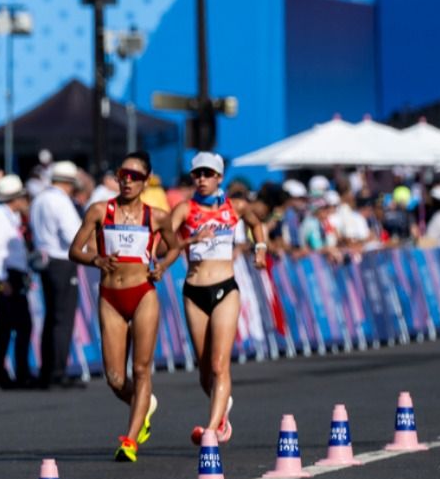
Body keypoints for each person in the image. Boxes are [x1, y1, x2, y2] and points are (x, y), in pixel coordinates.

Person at [69, 152, 176, 462]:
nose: (128, 180)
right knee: (115, 378)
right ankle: (144, 406)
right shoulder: (100, 211)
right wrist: (96, 259)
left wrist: (162, 265)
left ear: (146, 181)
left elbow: (174, 246)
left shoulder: (156, 217)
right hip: (111, 296)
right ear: (117, 177)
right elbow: (75, 250)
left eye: (135, 176)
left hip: (143, 293)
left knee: (141, 368)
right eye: (123, 174)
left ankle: (130, 440)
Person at [163, 152, 267, 446]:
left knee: (221, 365)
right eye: (197, 174)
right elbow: (162, 245)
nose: (202, 180)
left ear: (219, 177)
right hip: (194, 291)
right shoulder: (185, 209)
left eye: (208, 174)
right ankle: (222, 412)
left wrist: (260, 248)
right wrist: (190, 240)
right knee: (205, 371)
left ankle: (212, 429)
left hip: (225, 288)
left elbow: (256, 224)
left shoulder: (235, 206)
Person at [29, 162, 83, 389]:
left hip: (45, 260)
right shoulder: (61, 201)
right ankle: (58, 370)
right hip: (62, 260)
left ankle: (47, 369)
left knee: (51, 317)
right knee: (63, 319)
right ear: (68, 183)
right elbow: (74, 235)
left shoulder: (40, 199)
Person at [0, 175, 34, 388]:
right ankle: (4, 374)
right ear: (15, 198)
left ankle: (17, 372)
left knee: (17, 326)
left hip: (12, 274)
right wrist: (3, 280)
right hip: (5, 275)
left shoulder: (8, 216)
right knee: (9, 325)